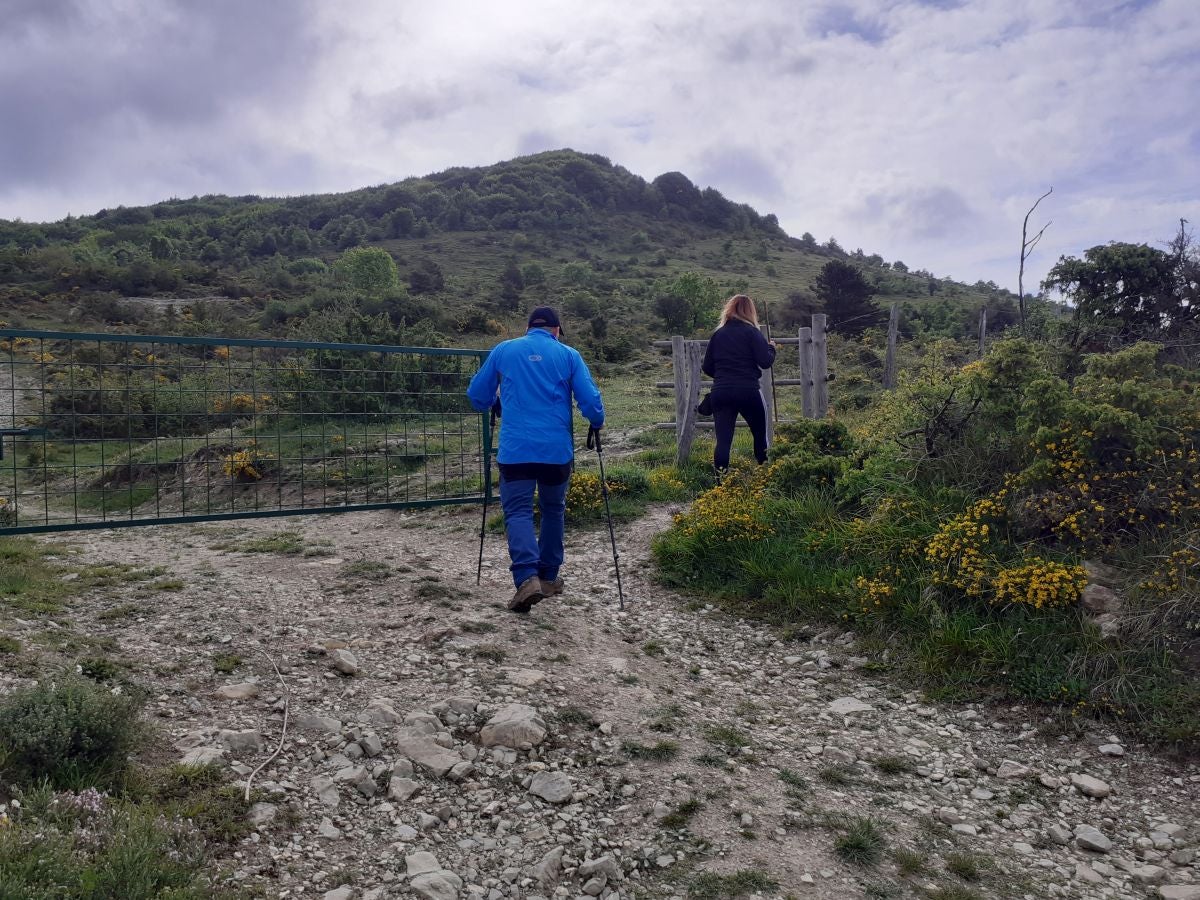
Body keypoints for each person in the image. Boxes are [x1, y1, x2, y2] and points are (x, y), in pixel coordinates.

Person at [467, 306, 605, 613]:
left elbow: (477, 395)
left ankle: (526, 577)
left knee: (518, 511)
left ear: (529, 327)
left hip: (516, 451)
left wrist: (496, 400)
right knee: (553, 509)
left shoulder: (504, 350)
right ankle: (548, 577)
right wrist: (597, 421)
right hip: (556, 452)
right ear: (556, 330)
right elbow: (590, 401)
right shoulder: (569, 355)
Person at [701, 294, 776, 475]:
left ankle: (721, 483)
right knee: (760, 436)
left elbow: (707, 367)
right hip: (748, 390)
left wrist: (723, 377)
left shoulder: (718, 334)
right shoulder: (752, 332)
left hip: (721, 391)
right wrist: (771, 348)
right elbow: (765, 362)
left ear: (729, 309)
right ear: (750, 311)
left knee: (723, 440)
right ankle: (764, 476)